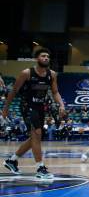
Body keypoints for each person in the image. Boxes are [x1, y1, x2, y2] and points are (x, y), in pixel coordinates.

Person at [2, 48, 65, 179]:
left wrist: (61, 104)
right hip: (27, 106)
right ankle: (40, 168)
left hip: (40, 107)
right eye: (43, 56)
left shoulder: (52, 74)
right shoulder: (26, 73)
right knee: (37, 134)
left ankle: (12, 160)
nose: (46, 58)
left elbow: (55, 92)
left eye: (48, 56)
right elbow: (13, 91)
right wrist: (6, 108)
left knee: (35, 138)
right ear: (37, 59)